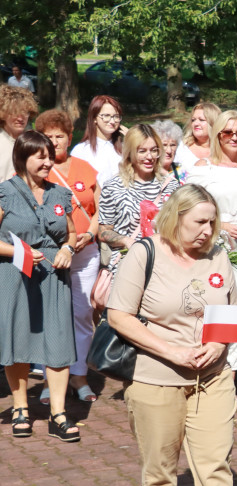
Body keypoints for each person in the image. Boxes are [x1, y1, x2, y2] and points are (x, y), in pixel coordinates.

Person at [107, 184, 237, 486]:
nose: (208, 230)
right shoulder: (145, 253)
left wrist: (219, 342)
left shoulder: (219, 254)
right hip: (156, 378)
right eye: (199, 222)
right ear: (176, 218)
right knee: (161, 467)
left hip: (212, 378)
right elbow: (120, 316)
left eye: (213, 222)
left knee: (214, 465)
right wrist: (172, 351)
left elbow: (232, 310)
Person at [0, 132, 78, 441]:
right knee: (19, 339)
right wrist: (18, 252)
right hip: (15, 273)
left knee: (58, 342)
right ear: (22, 159)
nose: (48, 162)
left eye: (50, 156)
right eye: (40, 157)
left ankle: (58, 413)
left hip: (54, 275)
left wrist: (68, 249)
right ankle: (21, 407)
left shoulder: (60, 194)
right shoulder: (5, 193)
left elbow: (71, 233)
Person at [187, 110, 237, 372]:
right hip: (211, 248)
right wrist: (220, 226)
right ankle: (203, 366)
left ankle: (229, 374)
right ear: (218, 135)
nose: (234, 138)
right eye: (228, 132)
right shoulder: (204, 168)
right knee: (210, 308)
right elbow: (187, 208)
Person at [37, 109, 101, 404]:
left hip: (86, 252)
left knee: (82, 313)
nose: (53, 142)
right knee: (52, 315)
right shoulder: (34, 169)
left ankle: (78, 374)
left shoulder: (85, 168)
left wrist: (89, 234)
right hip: (51, 255)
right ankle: (53, 377)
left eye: (59, 136)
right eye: (47, 137)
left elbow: (99, 209)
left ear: (69, 137)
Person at [97, 125, 180, 277]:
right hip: (125, 265)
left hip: (163, 266)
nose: (149, 157)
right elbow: (103, 232)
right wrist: (126, 241)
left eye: (154, 150)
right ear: (129, 153)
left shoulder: (171, 186)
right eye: (142, 151)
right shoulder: (113, 187)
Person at [70, 95, 124, 189]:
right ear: (94, 118)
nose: (112, 121)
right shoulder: (81, 151)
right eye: (106, 116)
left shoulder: (125, 148)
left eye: (116, 116)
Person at [0, 84, 39, 180]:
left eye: (25, 112)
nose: (20, 118)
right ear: (3, 114)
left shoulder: (33, 140)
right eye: (14, 112)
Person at [175, 102, 222, 171]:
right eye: (193, 120)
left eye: (201, 120)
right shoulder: (182, 147)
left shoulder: (224, 149)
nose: (195, 123)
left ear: (213, 123)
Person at [151, 119, 185, 184]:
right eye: (164, 145)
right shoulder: (146, 172)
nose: (169, 151)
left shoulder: (182, 171)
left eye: (172, 145)